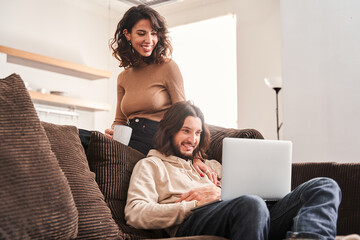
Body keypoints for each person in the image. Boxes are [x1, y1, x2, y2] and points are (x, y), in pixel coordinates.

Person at [124, 101, 342, 240]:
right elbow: (136, 213)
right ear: (169, 131)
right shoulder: (151, 165)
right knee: (251, 203)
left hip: (254, 212)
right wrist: (194, 204)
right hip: (194, 220)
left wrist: (223, 193)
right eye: (186, 131)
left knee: (324, 186)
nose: (193, 139)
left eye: (198, 133)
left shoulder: (211, 166)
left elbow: (245, 193)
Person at [102, 5, 216, 182]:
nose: (149, 40)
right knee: (85, 139)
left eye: (154, 33)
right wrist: (112, 134)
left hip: (155, 138)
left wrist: (196, 157)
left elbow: (185, 114)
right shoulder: (123, 77)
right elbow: (119, 121)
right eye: (141, 33)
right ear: (127, 34)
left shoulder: (168, 66)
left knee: (84, 140)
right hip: (129, 137)